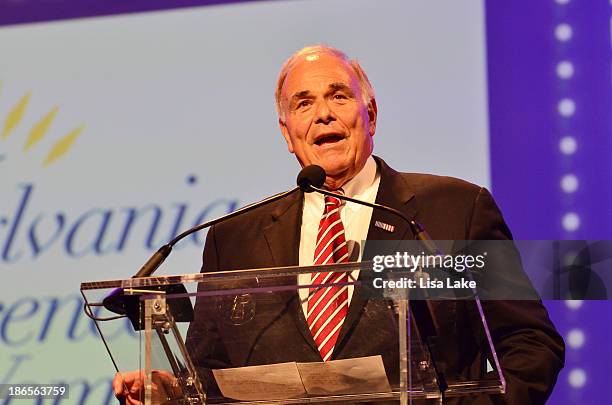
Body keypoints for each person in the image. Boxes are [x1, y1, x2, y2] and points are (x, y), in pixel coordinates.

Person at [114, 45, 564, 404]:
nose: (323, 113)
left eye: (339, 95)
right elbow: (208, 375)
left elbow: (529, 343)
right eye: (303, 103)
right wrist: (171, 391)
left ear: (370, 114)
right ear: (287, 133)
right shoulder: (235, 237)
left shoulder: (451, 209)